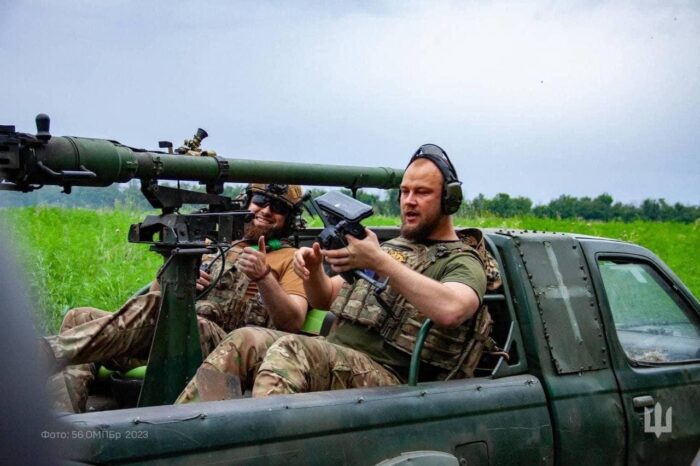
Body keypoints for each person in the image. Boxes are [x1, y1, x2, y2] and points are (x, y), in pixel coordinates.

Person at [176, 144, 492, 403]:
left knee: (292, 351)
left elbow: (452, 309)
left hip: (391, 381)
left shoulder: (462, 259)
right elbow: (325, 296)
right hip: (341, 357)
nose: (409, 201)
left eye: (422, 193)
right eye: (404, 191)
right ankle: (192, 433)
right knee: (244, 340)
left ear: (449, 201)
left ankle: (262, 449)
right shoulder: (391, 249)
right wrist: (313, 270)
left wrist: (380, 262)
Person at [42, 183, 309, 412]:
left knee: (176, 314)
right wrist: (177, 277)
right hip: (172, 334)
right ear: (247, 202)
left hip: (224, 347)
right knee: (79, 317)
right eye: (260, 200)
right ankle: (61, 421)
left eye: (278, 208)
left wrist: (264, 277)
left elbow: (293, 320)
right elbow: (155, 296)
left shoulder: (290, 258)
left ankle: (43, 353)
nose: (266, 211)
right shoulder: (213, 245)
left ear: (289, 219)